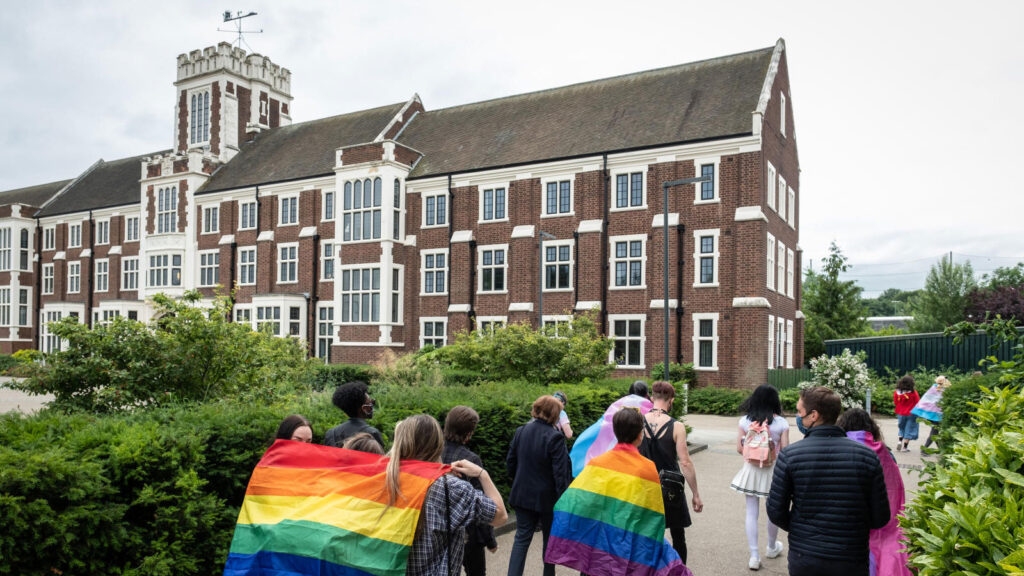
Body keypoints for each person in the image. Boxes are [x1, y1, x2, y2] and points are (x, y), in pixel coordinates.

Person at [545, 407, 692, 576]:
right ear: (640, 435)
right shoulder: (647, 469)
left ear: (615, 432)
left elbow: (575, 502)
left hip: (600, 545)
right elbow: (652, 516)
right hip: (628, 548)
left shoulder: (597, 463)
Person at [767, 386, 890, 576]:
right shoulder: (867, 456)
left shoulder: (790, 456)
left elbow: (775, 510)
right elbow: (881, 516)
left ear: (813, 415)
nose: (798, 418)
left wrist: (802, 528)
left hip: (805, 555)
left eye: (800, 412)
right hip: (851, 556)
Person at [390, 414, 508, 576]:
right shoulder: (451, 488)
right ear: (437, 445)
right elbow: (500, 516)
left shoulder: (385, 479)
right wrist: (482, 474)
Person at [838, 408, 913, 576]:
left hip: (849, 517)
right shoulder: (885, 452)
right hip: (879, 514)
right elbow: (894, 486)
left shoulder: (839, 450)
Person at [506, 395, 572, 576]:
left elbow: (510, 463)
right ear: (555, 415)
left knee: (521, 540)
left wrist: (520, 480)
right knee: (549, 543)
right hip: (547, 499)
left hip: (522, 494)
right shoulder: (555, 437)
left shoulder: (521, 431)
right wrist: (563, 501)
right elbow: (560, 474)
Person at [641, 381, 703, 564]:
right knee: (678, 535)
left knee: (646, 533)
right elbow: (685, 462)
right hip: (670, 486)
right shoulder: (677, 427)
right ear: (671, 400)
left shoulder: (638, 420)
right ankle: (679, 571)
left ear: (652, 398)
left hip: (645, 484)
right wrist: (696, 494)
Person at [729, 384, 790, 570]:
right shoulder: (781, 423)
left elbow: (740, 449)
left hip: (751, 471)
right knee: (773, 510)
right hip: (774, 471)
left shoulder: (744, 422)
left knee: (751, 512)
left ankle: (754, 556)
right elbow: (786, 451)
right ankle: (771, 547)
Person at [441, 406, 497, 576]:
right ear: (469, 433)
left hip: (440, 526)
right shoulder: (471, 461)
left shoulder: (434, 452)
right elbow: (482, 502)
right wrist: (490, 539)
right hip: (468, 532)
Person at [323, 381, 385, 448]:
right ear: (364, 408)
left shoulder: (331, 434)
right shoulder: (372, 433)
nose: (372, 406)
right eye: (371, 403)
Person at [912, 375, 950, 450]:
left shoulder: (933, 388)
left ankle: (941, 449)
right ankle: (924, 449)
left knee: (935, 431)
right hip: (938, 415)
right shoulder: (945, 390)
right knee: (934, 433)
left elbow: (925, 399)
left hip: (930, 414)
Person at [892, 375, 920, 452]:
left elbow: (895, 402)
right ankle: (905, 447)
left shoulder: (897, 392)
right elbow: (918, 403)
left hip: (900, 413)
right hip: (911, 413)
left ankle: (899, 441)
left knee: (902, 427)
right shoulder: (913, 392)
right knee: (909, 429)